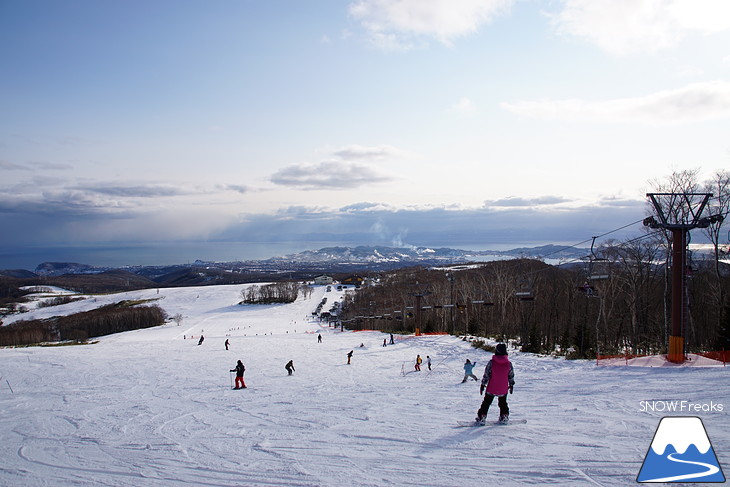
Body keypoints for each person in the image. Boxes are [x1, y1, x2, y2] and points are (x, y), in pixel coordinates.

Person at [475, 343, 515, 424]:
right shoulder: (508, 364)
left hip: (492, 387)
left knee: (486, 403)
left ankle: (482, 416)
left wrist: (483, 384)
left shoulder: (492, 362)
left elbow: (486, 374)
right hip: (503, 388)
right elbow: (511, 375)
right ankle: (504, 416)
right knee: (503, 403)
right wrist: (511, 385)